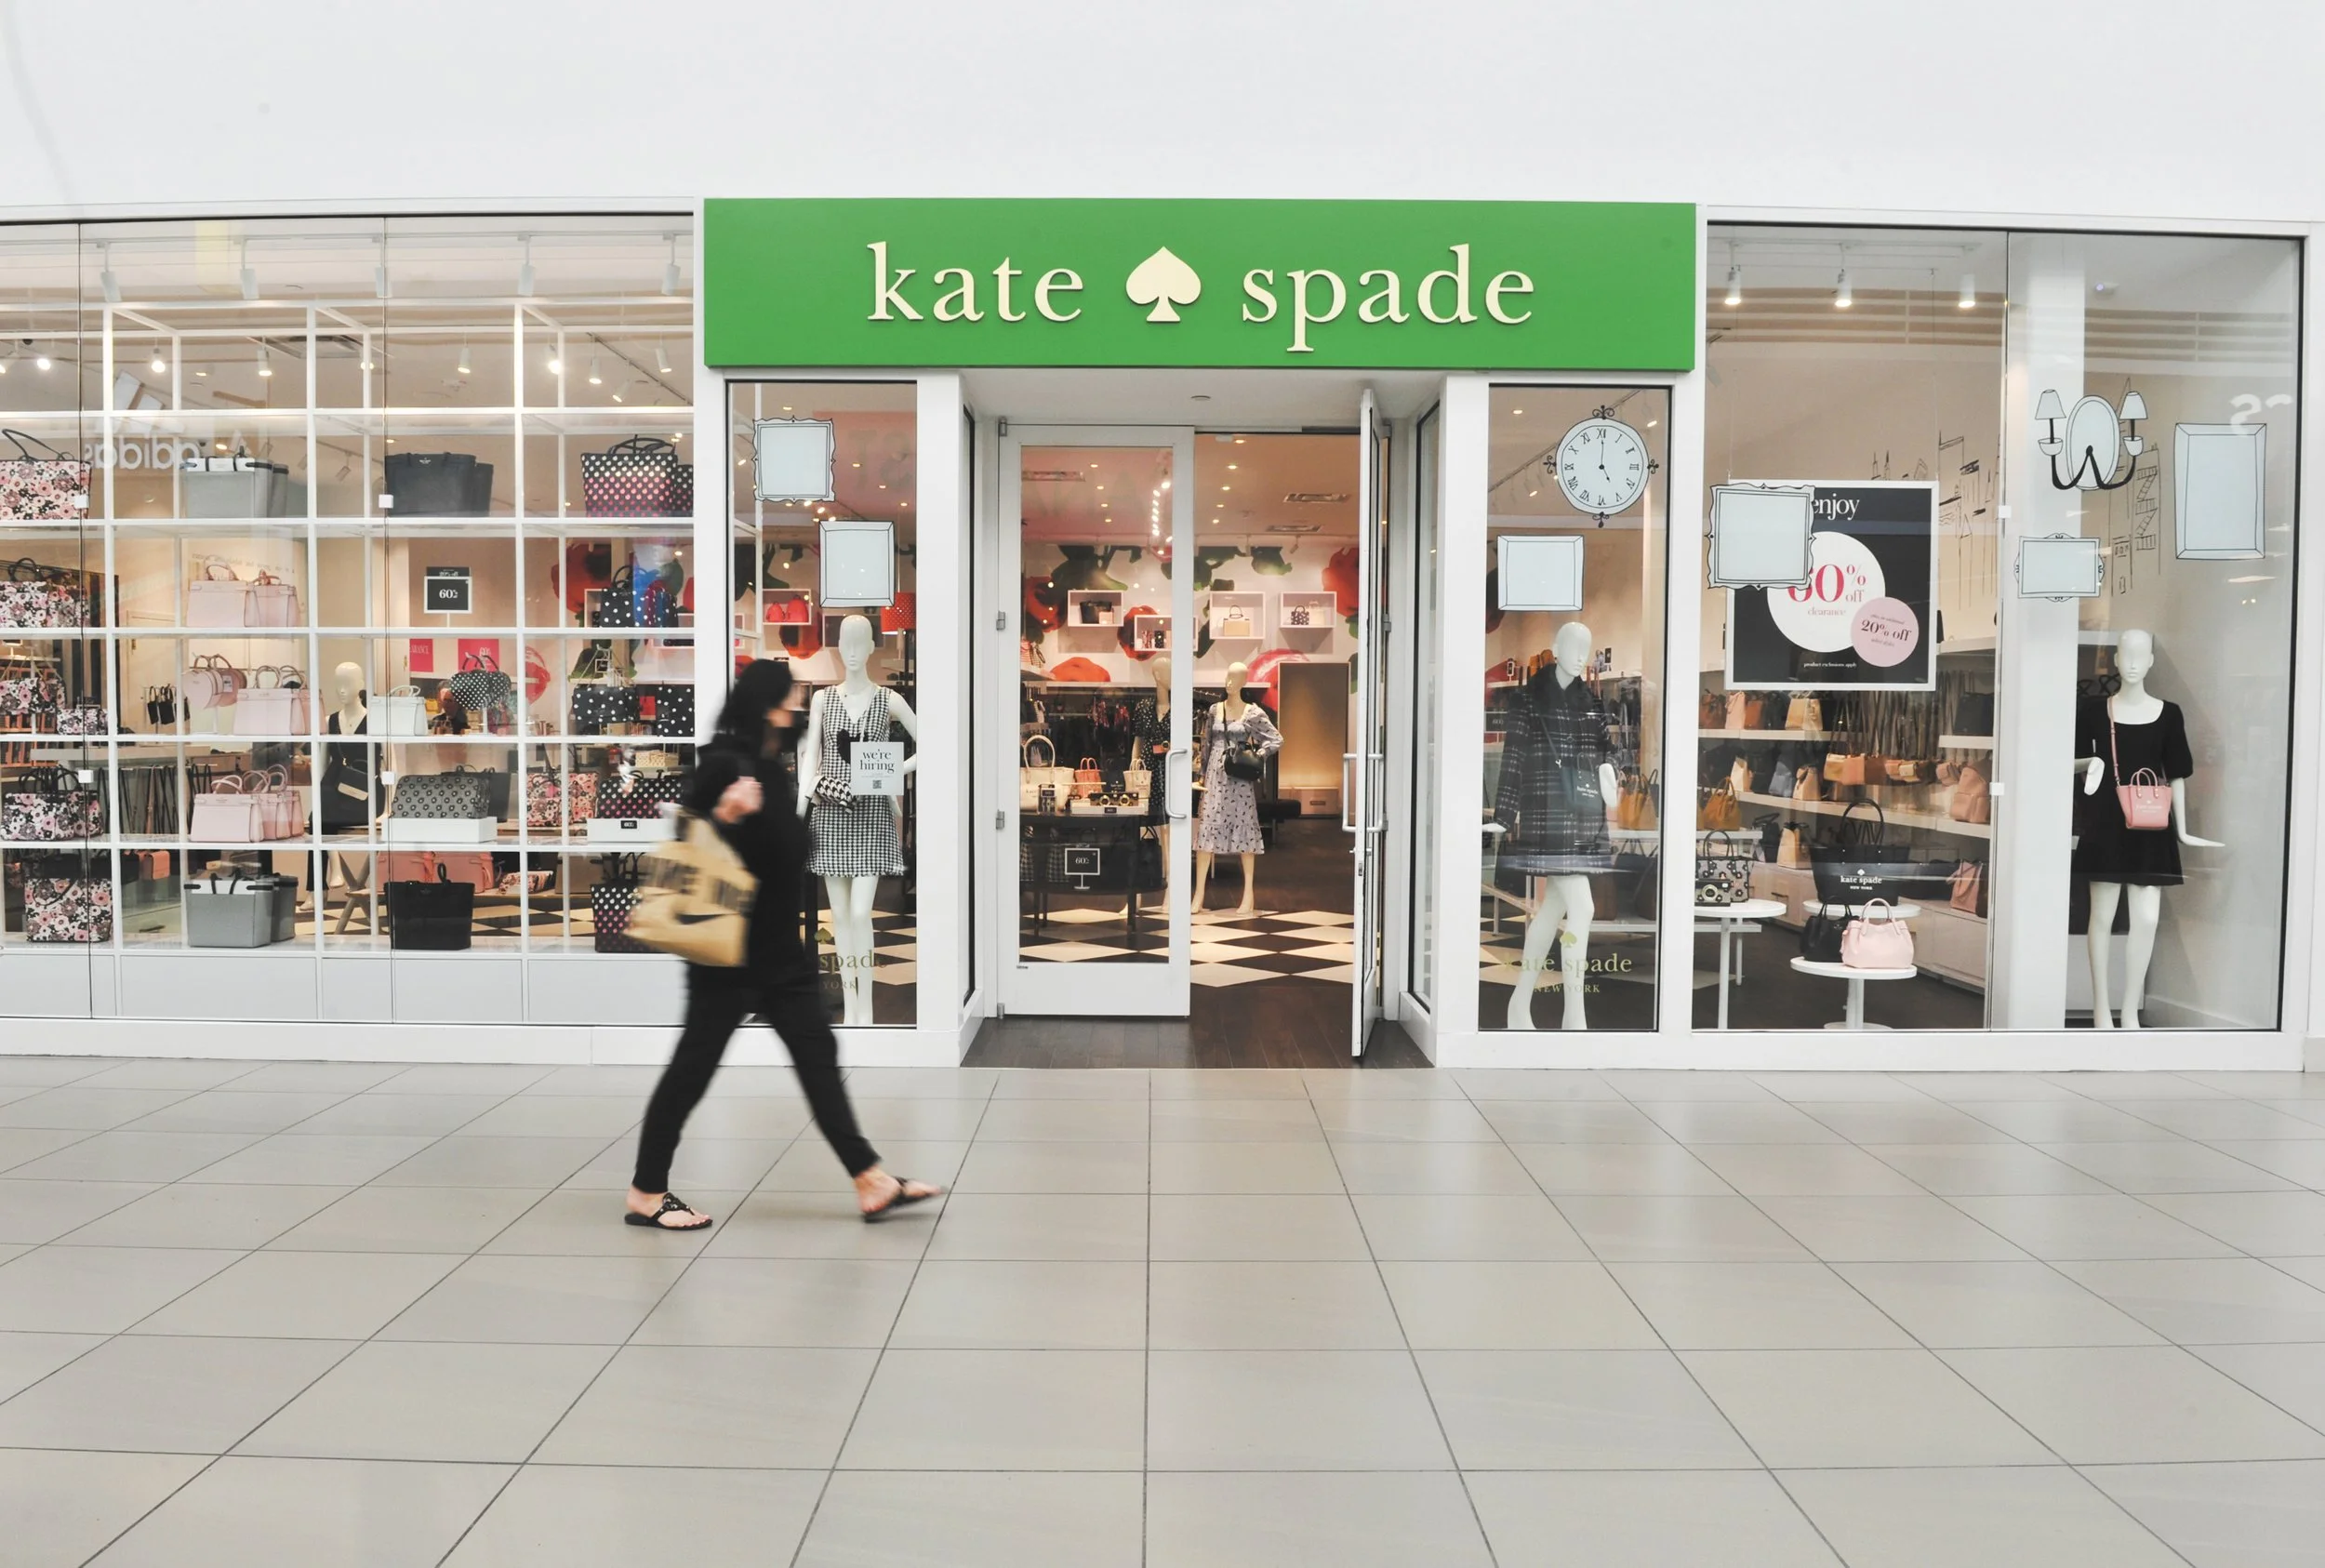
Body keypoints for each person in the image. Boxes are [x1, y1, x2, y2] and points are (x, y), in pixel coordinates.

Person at [625, 658, 940, 1230]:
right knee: (693, 1069)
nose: (797, 710)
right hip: (726, 956)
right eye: (788, 700)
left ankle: (870, 1179)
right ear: (765, 707)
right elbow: (686, 839)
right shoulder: (725, 763)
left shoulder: (771, 768)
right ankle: (647, 1192)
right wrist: (726, 814)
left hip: (778, 956)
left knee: (818, 1057)